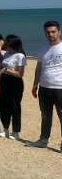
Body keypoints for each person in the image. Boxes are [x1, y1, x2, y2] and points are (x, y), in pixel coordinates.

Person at [30, 21, 62, 150]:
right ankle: (43, 141)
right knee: (45, 115)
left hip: (60, 88)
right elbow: (39, 67)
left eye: (53, 31)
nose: (50, 34)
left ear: (59, 32)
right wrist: (34, 84)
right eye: (48, 32)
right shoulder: (43, 48)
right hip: (44, 88)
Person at [0, 35, 26, 140]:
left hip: (15, 83)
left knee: (15, 106)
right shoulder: (7, 54)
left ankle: (16, 131)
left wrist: (6, 70)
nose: (6, 44)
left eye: (7, 43)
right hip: (4, 81)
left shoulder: (20, 56)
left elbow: (20, 74)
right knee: (4, 105)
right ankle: (5, 129)